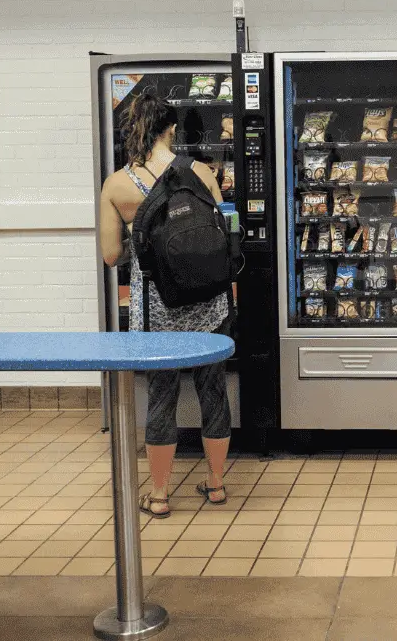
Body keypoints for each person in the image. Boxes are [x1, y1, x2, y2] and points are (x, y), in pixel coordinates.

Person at [98, 91, 232, 518]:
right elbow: (223, 233)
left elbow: (110, 255)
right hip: (207, 300)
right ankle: (215, 484)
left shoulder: (118, 184)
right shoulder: (200, 172)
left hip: (155, 304)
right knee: (213, 389)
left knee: (161, 395)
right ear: (171, 128)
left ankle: (158, 494)